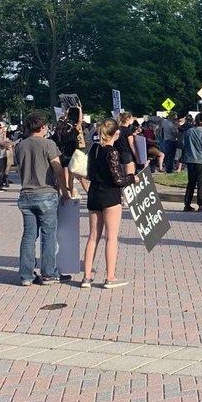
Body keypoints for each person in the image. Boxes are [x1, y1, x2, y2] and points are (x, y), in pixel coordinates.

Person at [14, 111, 70, 285]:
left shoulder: (20, 146)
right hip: (46, 193)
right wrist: (65, 193)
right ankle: (48, 273)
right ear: (43, 126)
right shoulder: (49, 144)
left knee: (29, 235)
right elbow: (58, 171)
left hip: (26, 194)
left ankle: (26, 275)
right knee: (48, 235)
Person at [81, 117, 136, 289]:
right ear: (116, 133)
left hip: (94, 193)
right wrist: (133, 178)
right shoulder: (112, 152)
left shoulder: (94, 150)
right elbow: (118, 179)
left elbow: (88, 173)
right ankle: (110, 277)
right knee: (111, 237)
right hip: (110, 195)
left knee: (93, 237)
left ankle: (86, 277)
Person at [181, 112, 202, 211]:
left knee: (191, 183)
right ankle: (201, 204)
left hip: (190, 159)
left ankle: (187, 204)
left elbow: (184, 144)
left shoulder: (189, 132)